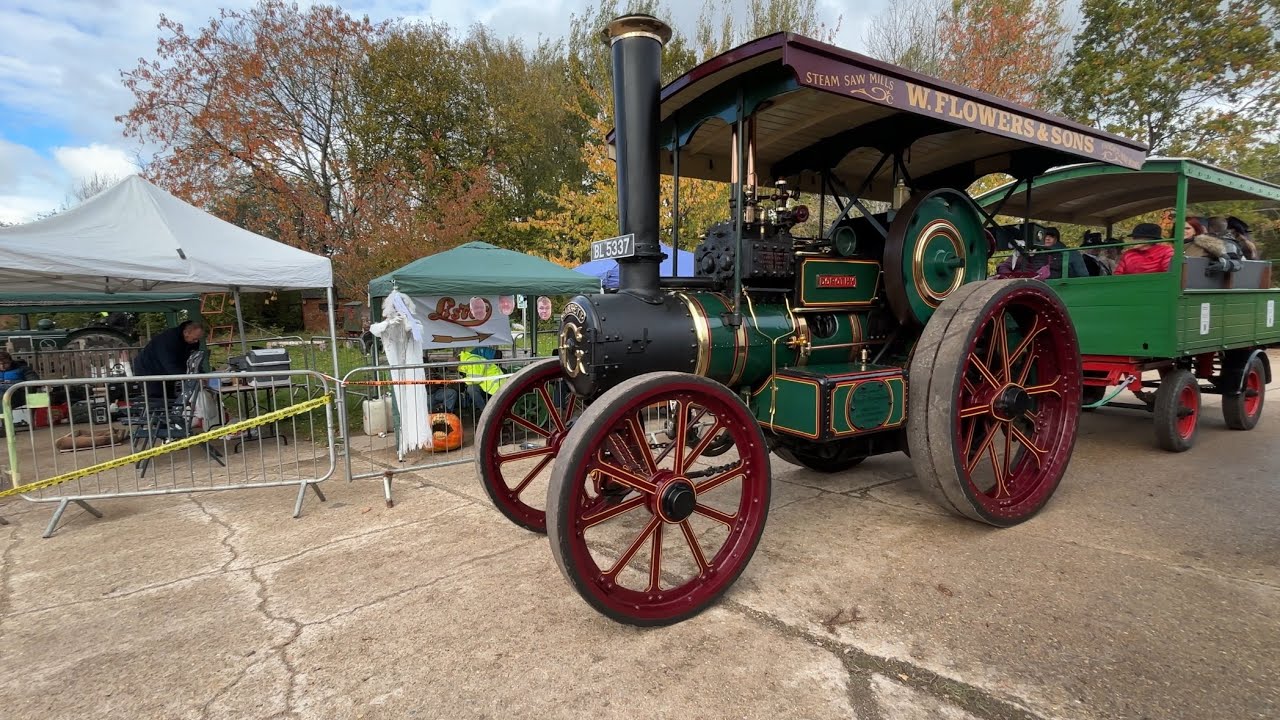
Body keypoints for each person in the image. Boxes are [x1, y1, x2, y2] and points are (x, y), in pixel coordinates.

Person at [133, 320, 206, 401]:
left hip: (165, 368)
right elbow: (170, 364)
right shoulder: (168, 340)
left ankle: (170, 410)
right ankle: (158, 411)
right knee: (157, 396)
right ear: (186, 333)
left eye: (198, 339)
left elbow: (194, 359)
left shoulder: (192, 342)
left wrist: (201, 374)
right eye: (194, 339)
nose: (196, 341)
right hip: (148, 369)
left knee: (170, 396)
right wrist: (190, 378)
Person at [430, 346, 505, 416]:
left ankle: (485, 412)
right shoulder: (466, 360)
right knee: (471, 389)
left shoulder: (471, 361)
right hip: (487, 383)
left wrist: (460, 381)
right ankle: (484, 410)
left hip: (496, 384)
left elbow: (475, 379)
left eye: (456, 369)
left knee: (471, 389)